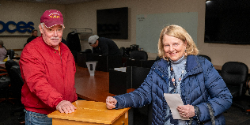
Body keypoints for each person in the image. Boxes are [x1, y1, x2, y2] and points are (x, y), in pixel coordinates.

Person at [106, 25, 232, 125]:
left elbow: (225, 98)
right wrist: (118, 100)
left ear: (185, 43)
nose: (171, 49)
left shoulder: (203, 66)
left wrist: (196, 110)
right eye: (167, 45)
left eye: (175, 44)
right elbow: (143, 93)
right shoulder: (158, 67)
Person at [20, 9, 77, 125]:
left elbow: (70, 78)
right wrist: (58, 101)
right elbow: (37, 81)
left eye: (59, 30)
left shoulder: (66, 50)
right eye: (50, 30)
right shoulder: (31, 50)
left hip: (65, 110)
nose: (55, 34)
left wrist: (72, 100)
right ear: (41, 29)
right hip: (40, 116)